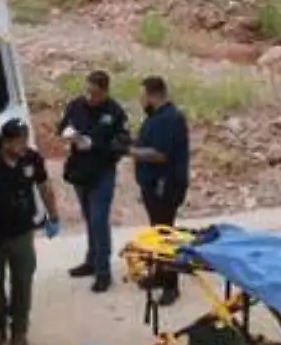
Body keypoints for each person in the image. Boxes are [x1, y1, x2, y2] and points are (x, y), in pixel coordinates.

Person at [0, 118, 60, 345]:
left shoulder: (31, 158)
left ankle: (19, 332)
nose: (22, 146)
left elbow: (44, 186)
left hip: (22, 232)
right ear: (5, 142)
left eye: (24, 140)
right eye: (18, 142)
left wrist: (53, 215)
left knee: (22, 283)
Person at [58, 70, 129, 293]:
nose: (90, 96)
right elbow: (61, 126)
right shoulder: (76, 105)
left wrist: (96, 145)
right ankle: (91, 261)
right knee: (89, 218)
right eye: (87, 91)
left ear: (105, 92)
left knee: (99, 221)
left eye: (95, 93)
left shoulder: (114, 111)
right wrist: (68, 133)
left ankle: (103, 272)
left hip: (102, 172)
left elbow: (123, 142)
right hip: (80, 171)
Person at [130, 75, 190, 304]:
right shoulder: (156, 117)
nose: (140, 100)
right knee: (158, 232)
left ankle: (171, 285)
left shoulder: (169, 119)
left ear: (152, 95)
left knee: (165, 234)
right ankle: (159, 274)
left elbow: (159, 154)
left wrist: (130, 151)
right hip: (153, 184)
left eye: (142, 95)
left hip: (165, 186)